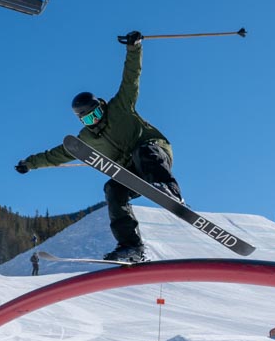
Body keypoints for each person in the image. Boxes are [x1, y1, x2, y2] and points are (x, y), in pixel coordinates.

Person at [15, 31, 183, 263]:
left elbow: (131, 78)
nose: (93, 121)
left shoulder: (120, 107)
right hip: (131, 172)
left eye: (94, 114)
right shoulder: (86, 139)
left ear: (100, 106)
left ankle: (168, 188)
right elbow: (56, 155)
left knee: (142, 151)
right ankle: (130, 246)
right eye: (86, 119)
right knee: (113, 189)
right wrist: (30, 163)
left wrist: (134, 49)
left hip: (154, 152)